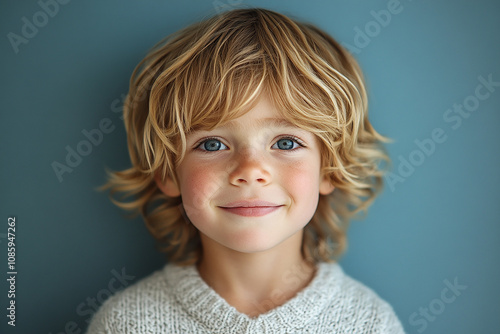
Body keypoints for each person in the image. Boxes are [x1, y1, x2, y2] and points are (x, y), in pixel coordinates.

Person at [86, 7, 405, 333]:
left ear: (329, 169)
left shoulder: (370, 324)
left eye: (285, 143)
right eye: (212, 144)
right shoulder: (124, 324)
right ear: (168, 172)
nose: (250, 171)